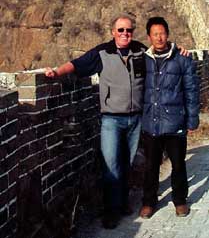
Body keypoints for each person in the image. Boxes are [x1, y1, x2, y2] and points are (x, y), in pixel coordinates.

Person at [45, 13, 188, 229]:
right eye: (120, 30)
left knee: (126, 164)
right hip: (111, 119)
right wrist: (56, 73)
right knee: (111, 165)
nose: (125, 34)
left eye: (129, 30)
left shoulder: (141, 51)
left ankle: (122, 204)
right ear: (113, 32)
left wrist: (181, 51)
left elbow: (164, 53)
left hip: (136, 119)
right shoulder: (102, 52)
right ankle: (111, 211)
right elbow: (77, 64)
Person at [139, 16, 200, 219]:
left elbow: (191, 91)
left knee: (178, 164)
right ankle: (148, 202)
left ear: (168, 34)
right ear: (149, 36)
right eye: (155, 34)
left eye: (162, 33)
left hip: (175, 122)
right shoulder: (143, 58)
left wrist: (192, 120)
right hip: (151, 121)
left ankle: (180, 201)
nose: (159, 37)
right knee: (150, 166)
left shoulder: (182, 59)